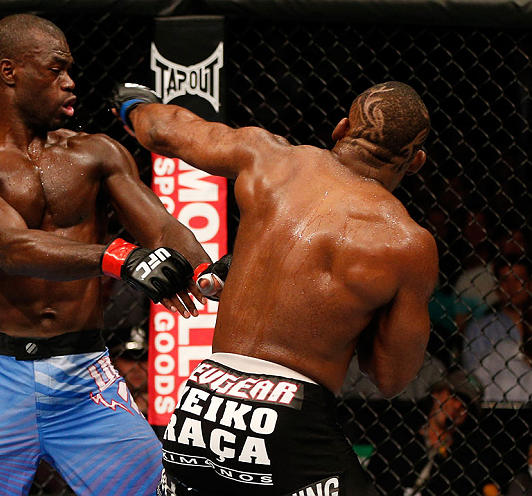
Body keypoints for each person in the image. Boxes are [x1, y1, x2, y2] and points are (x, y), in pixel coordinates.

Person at [0, 14, 211, 496]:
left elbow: (160, 226)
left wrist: (204, 270)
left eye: (70, 70)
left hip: (85, 378)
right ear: (9, 72)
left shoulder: (96, 153)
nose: (70, 82)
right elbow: (9, 247)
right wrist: (119, 258)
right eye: (56, 69)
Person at [112, 80, 439, 495]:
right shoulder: (407, 243)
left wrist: (133, 105)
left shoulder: (268, 157)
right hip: (289, 420)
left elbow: (168, 129)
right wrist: (348, 311)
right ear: (416, 162)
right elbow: (390, 377)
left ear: (340, 130)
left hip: (200, 405)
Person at [367, 370, 489, 495]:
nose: (458, 406)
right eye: (454, 395)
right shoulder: (398, 439)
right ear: (436, 393)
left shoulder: (465, 461)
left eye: (466, 405)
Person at [462, 258, 531, 403]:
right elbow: (473, 377)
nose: (512, 286)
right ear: (497, 286)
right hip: (494, 405)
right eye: (505, 280)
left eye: (518, 279)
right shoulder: (480, 328)